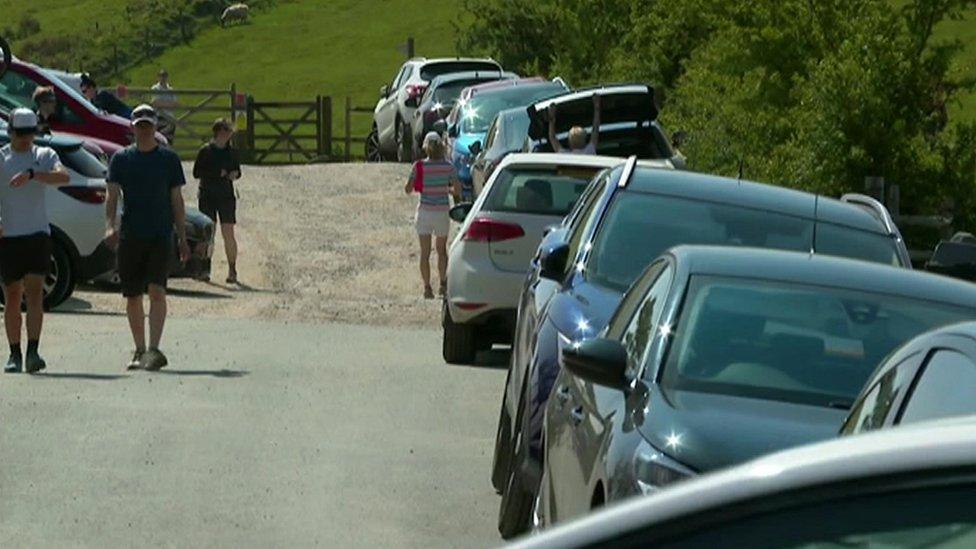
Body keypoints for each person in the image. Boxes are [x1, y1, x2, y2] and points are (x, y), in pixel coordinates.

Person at [105, 104, 190, 371]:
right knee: (132, 295)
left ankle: (154, 348)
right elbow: (112, 195)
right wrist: (110, 225)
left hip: (160, 233)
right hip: (131, 234)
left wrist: (183, 237)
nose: (143, 129)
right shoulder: (120, 159)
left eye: (148, 125)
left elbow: (177, 199)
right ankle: (139, 348)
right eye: (139, 125)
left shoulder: (168, 159)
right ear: (133, 127)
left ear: (155, 127)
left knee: (157, 290)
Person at [0, 108, 70, 373]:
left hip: (37, 234)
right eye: (20, 133)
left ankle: (33, 351)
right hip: (9, 236)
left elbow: (63, 176)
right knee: (12, 297)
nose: (25, 139)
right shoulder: (2, 157)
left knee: (35, 295)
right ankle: (14, 353)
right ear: (11, 132)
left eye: (29, 133)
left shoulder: (44, 155)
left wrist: (33, 174)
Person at [404, 131, 460, 299]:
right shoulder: (448, 167)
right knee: (442, 250)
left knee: (425, 252)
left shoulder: (419, 166)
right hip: (441, 212)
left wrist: (419, 185)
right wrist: (447, 190)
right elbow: (457, 189)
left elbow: (408, 189)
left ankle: (427, 288)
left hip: (424, 212)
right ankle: (443, 284)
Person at [193, 118, 242, 284]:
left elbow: (238, 170)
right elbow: (196, 172)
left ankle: (232, 269)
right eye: (227, 131)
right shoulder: (205, 151)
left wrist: (234, 174)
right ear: (220, 132)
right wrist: (217, 173)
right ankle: (204, 268)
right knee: (208, 233)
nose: (230, 134)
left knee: (228, 232)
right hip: (207, 194)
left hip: (226, 196)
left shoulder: (232, 152)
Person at [151, 69, 178, 142]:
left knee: (169, 139)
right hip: (160, 117)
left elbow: (175, 104)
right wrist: (169, 104)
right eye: (161, 76)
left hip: (170, 117)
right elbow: (155, 102)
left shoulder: (171, 89)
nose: (163, 78)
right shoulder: (155, 88)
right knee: (159, 138)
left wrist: (163, 104)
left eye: (164, 76)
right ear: (158, 77)